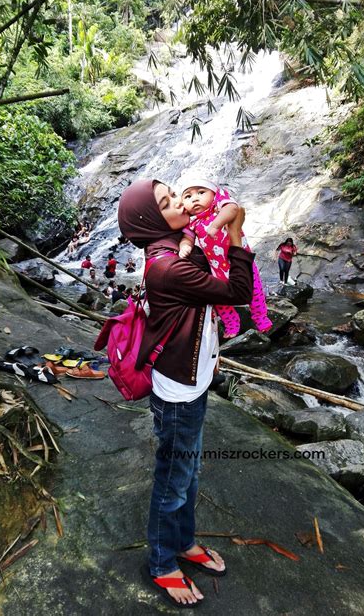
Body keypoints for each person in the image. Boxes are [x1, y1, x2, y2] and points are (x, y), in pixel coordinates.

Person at [118, 179, 254, 607]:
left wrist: (211, 223)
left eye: (174, 193)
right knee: (173, 480)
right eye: (167, 201)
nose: (181, 202)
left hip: (192, 378)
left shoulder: (176, 242)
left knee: (188, 474)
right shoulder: (167, 266)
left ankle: (183, 540)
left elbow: (199, 235)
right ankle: (161, 563)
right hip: (179, 391)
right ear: (151, 219)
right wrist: (235, 235)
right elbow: (238, 292)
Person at [178, 175, 272, 339]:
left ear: (214, 194)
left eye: (201, 192)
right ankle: (231, 324)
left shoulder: (221, 207)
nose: (195, 199)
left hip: (242, 260)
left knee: (255, 292)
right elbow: (187, 237)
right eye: (188, 196)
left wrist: (216, 225)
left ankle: (261, 319)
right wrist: (185, 246)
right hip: (217, 268)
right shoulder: (193, 222)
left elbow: (233, 209)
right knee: (219, 300)